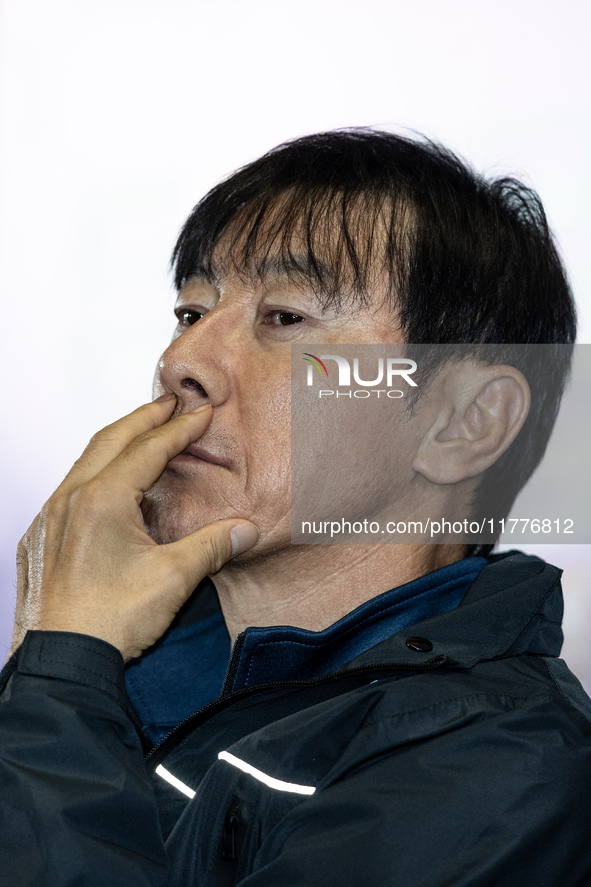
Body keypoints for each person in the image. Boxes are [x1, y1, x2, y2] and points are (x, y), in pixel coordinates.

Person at [1, 129, 590, 887]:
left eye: (284, 317)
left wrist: (61, 673)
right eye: (190, 313)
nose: (181, 363)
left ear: (462, 423)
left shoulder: (502, 770)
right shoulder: (121, 660)